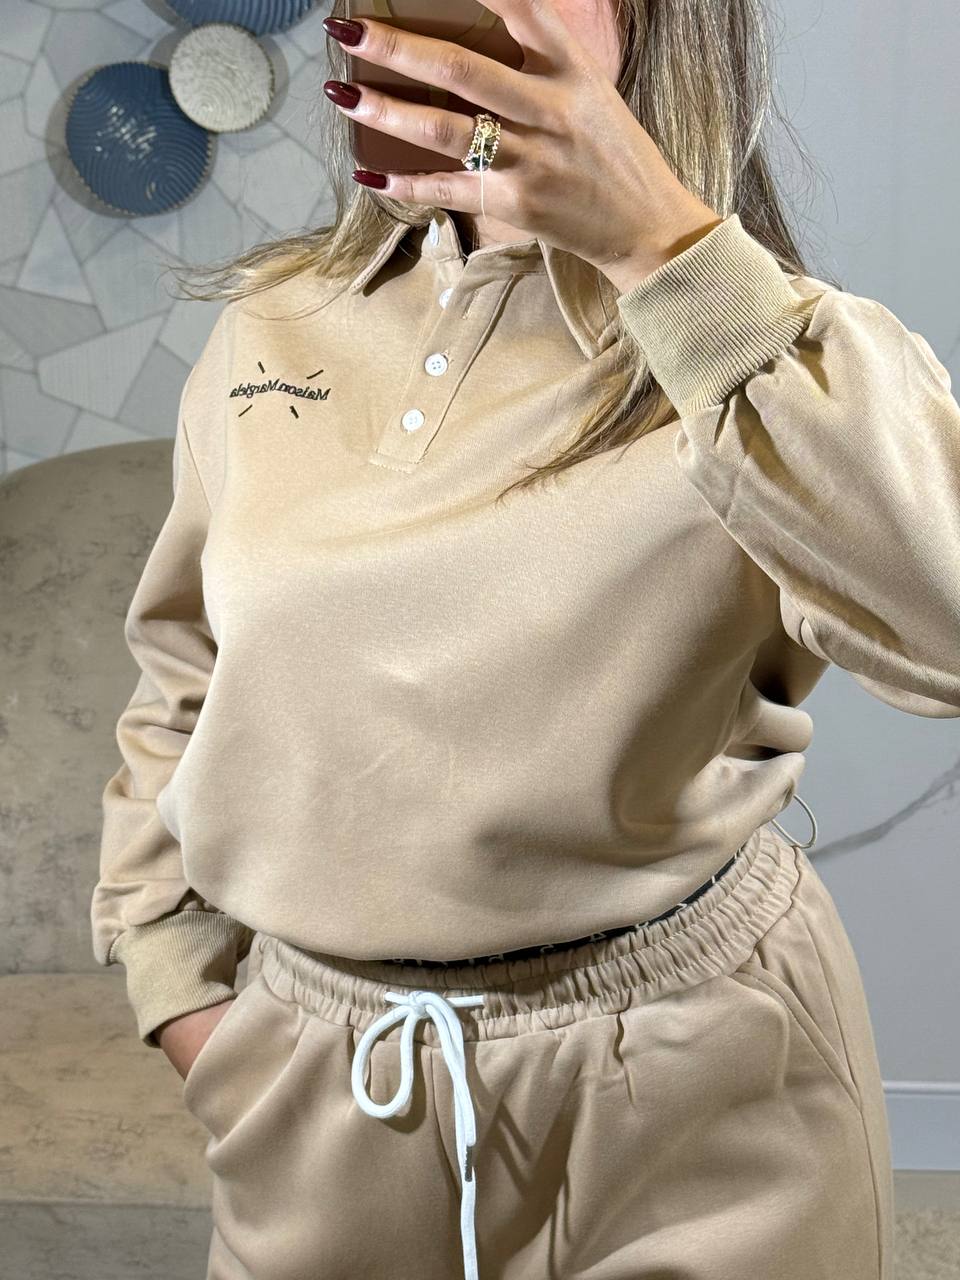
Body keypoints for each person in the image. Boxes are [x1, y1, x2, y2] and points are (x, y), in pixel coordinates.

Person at [90, 2, 960, 1277]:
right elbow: (186, 671)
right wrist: (182, 984)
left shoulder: (766, 344)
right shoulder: (273, 321)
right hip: (327, 1094)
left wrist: (665, 247)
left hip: (702, 1088)